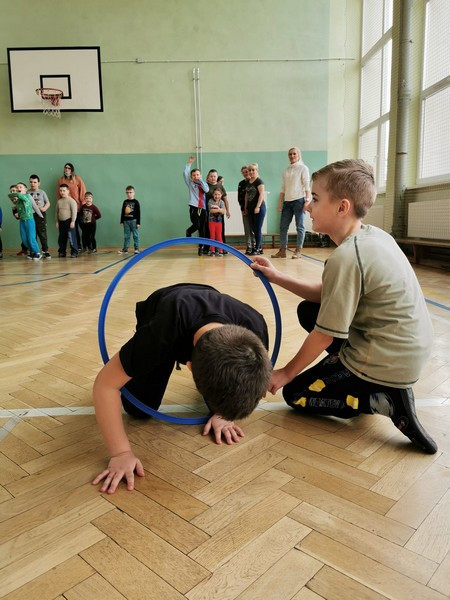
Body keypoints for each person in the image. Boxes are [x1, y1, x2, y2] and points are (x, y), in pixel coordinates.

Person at [252, 159, 437, 454]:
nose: (307, 206)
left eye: (315, 199)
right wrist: (277, 277)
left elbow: (324, 335)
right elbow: (328, 295)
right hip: (405, 350)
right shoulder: (374, 236)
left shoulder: (347, 257)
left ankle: (378, 399)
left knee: (296, 394)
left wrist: (285, 373)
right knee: (308, 311)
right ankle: (368, 382)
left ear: (342, 207)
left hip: (385, 361)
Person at [92, 283, 272, 494]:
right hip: (163, 315)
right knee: (138, 409)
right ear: (190, 366)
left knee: (225, 400)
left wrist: (223, 415)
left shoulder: (255, 326)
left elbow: (252, 382)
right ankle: (134, 353)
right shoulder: (160, 332)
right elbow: (105, 385)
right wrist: (121, 453)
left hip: (202, 317)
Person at [271, 147, 311, 259]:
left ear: (298, 155)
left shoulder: (303, 168)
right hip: (287, 202)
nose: (292, 156)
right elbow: (283, 188)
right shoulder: (286, 170)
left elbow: (307, 185)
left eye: (294, 154)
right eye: (290, 154)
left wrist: (307, 201)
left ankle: (298, 251)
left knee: (300, 226)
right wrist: (280, 203)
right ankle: (282, 251)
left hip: (299, 201)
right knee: (283, 227)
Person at [9, 183, 43, 260]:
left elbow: (21, 196)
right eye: (17, 187)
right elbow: (11, 197)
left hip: (29, 220)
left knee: (31, 238)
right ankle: (32, 251)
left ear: (25, 189)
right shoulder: (18, 200)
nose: (18, 188)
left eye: (20, 187)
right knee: (24, 239)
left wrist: (16, 193)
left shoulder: (27, 196)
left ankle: (37, 252)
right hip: (22, 221)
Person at [56, 163, 86, 248]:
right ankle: (78, 246)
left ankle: (87, 246)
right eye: (65, 168)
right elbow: (58, 193)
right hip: (68, 211)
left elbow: (83, 191)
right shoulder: (61, 180)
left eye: (69, 168)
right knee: (74, 229)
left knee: (84, 227)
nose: (67, 169)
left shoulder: (77, 179)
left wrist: (83, 203)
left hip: (78, 208)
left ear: (72, 170)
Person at [184, 156, 209, 255]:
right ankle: (188, 231)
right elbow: (185, 174)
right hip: (194, 207)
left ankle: (201, 247)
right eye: (194, 175)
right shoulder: (191, 184)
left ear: (200, 175)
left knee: (202, 229)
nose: (196, 176)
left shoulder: (203, 184)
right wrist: (189, 164)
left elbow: (206, 190)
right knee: (196, 225)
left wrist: (201, 181)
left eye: (197, 174)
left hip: (202, 208)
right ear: (191, 177)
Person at [244, 163, 266, 255]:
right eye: (250, 170)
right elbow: (246, 195)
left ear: (256, 170)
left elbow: (261, 194)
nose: (251, 172)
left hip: (259, 208)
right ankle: (259, 247)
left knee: (257, 228)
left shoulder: (259, 181)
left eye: (253, 170)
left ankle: (257, 248)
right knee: (253, 228)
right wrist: (245, 207)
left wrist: (258, 206)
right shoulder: (248, 182)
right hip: (250, 209)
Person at [28, 174, 51, 259]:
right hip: (30, 215)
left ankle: (45, 250)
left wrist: (44, 208)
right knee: (32, 234)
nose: (33, 184)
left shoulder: (42, 192)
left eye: (35, 182)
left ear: (39, 183)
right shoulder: (27, 192)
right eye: (31, 182)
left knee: (42, 233)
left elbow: (48, 202)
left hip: (40, 215)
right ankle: (33, 251)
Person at [206, 169, 230, 244]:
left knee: (220, 231)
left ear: (217, 177)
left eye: (214, 176)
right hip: (209, 213)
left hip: (219, 214)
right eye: (211, 176)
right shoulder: (206, 186)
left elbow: (225, 199)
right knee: (209, 230)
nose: (213, 178)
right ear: (208, 177)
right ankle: (209, 247)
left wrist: (227, 211)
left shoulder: (220, 186)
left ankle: (222, 247)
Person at [55, 183, 78, 258]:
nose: (62, 192)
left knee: (71, 237)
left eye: (64, 190)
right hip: (61, 222)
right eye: (60, 191)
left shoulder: (71, 201)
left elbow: (74, 212)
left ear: (68, 191)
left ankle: (74, 252)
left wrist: (73, 221)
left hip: (69, 221)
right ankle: (62, 252)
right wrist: (57, 221)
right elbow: (56, 212)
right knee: (62, 238)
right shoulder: (59, 201)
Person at [237, 165, 255, 255]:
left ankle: (255, 246)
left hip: (254, 209)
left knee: (254, 228)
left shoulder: (254, 181)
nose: (245, 174)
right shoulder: (241, 184)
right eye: (243, 172)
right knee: (247, 228)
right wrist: (243, 208)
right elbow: (239, 197)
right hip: (245, 209)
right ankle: (248, 246)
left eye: (246, 172)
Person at [119, 186, 141, 255]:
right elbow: (122, 212)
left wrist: (138, 222)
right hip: (126, 221)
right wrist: (121, 221)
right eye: (127, 192)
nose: (129, 194)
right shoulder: (125, 202)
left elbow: (138, 212)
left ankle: (136, 249)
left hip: (134, 221)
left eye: (130, 192)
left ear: (134, 193)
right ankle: (125, 249)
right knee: (126, 236)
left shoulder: (136, 202)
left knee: (135, 235)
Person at [207, 188, 226, 256]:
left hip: (219, 222)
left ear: (221, 195)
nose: (217, 196)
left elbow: (223, 211)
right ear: (213, 194)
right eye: (215, 194)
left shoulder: (222, 202)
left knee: (219, 236)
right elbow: (211, 211)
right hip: (211, 222)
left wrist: (216, 208)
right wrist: (219, 209)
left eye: (218, 194)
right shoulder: (210, 201)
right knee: (212, 236)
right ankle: (212, 250)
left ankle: (220, 250)